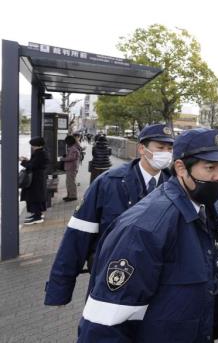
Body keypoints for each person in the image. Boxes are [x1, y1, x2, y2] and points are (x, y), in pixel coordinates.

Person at [78, 128, 218, 342]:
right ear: (181, 168)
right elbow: (105, 322)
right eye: (210, 168)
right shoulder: (146, 228)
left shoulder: (209, 210)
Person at [44, 124, 174, 306]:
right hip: (111, 279)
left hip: (157, 285)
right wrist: (59, 290)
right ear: (141, 149)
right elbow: (77, 237)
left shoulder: (174, 187)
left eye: (169, 148)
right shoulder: (108, 183)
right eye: (160, 148)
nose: (166, 153)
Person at [21, 137, 50, 225]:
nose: (32, 147)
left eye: (33, 145)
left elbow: (32, 166)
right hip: (38, 178)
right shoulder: (42, 152)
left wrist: (23, 162)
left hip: (35, 179)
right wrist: (27, 160)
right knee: (36, 196)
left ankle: (37, 216)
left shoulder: (40, 153)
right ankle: (37, 214)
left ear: (37, 145)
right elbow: (35, 164)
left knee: (34, 197)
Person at [61, 135, 81, 201]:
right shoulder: (73, 148)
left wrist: (63, 159)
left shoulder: (73, 149)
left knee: (71, 182)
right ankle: (69, 195)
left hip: (72, 168)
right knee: (68, 182)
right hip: (70, 167)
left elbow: (71, 158)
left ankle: (73, 196)